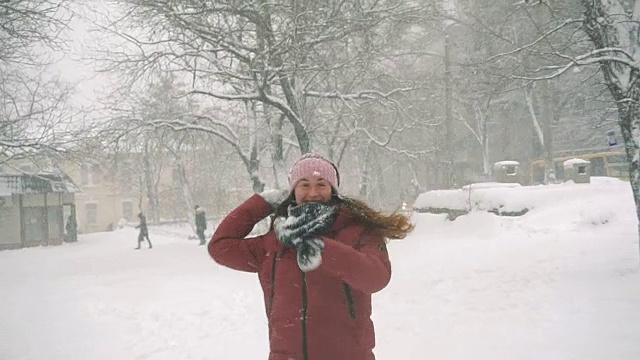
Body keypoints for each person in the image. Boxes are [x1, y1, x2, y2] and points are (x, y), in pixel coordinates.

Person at [209, 153, 414, 360]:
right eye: (304, 185)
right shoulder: (275, 242)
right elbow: (220, 247)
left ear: (333, 190)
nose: (313, 192)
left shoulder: (359, 232)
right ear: (293, 192)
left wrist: (323, 249)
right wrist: (260, 203)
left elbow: (375, 278)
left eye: (321, 184)